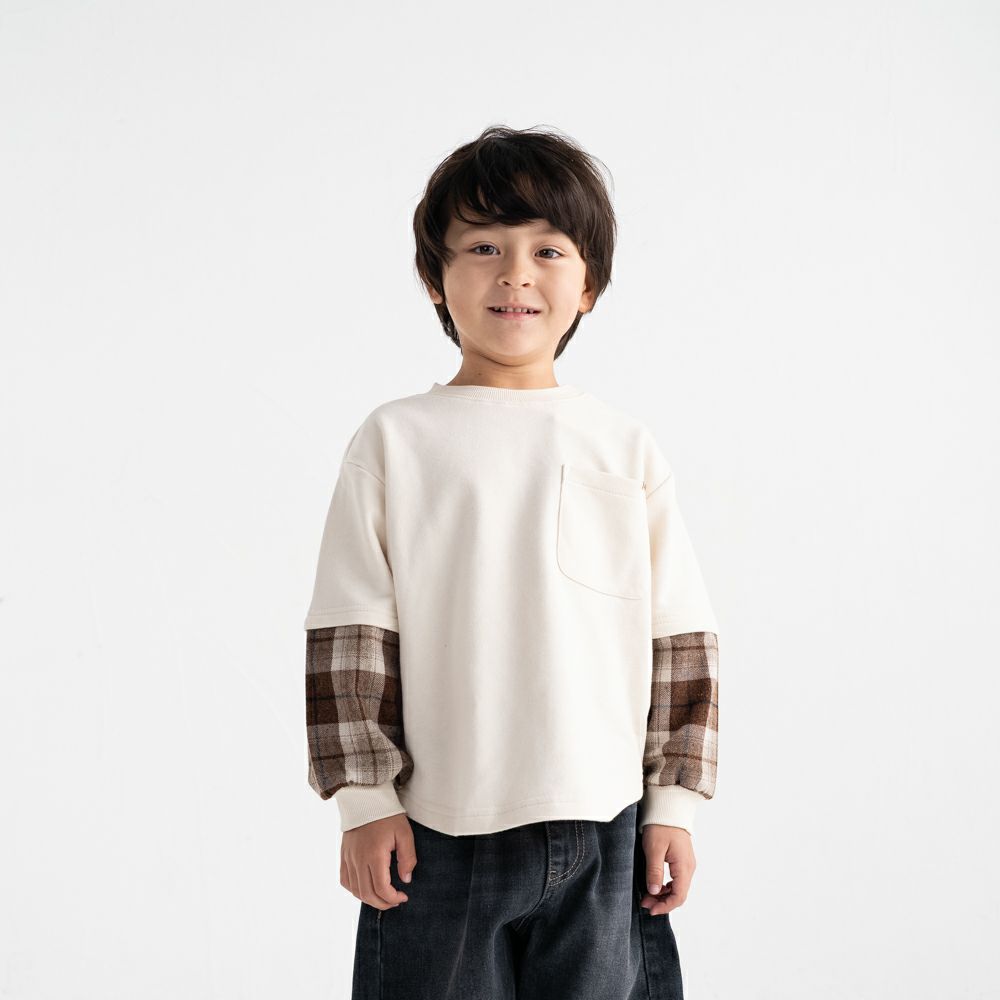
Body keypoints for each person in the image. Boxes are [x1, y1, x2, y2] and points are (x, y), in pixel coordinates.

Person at [303, 124, 720, 1000]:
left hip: (606, 824)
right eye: (484, 247)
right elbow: (351, 629)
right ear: (435, 277)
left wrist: (674, 806)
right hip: (439, 828)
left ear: (589, 285)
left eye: (548, 250)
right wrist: (365, 802)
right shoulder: (396, 440)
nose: (516, 274)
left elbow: (679, 636)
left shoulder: (623, 445)